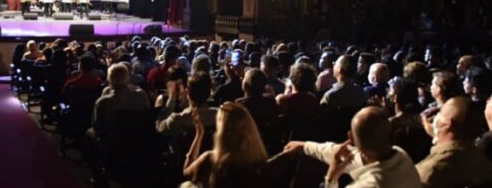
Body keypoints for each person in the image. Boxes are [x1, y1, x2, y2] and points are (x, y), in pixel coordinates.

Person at [284, 106, 422, 188]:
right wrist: (304, 145)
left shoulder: (370, 184)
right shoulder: (400, 155)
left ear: (350, 138)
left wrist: (331, 178)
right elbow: (342, 153)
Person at [182, 102, 267, 188]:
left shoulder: (211, 160)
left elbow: (186, 172)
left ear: (222, 131)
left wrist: (199, 135)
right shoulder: (261, 165)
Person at [416, 97, 492, 188]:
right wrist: (438, 137)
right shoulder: (483, 162)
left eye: (440, 112)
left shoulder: (427, 172)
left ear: (447, 123)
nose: (436, 116)